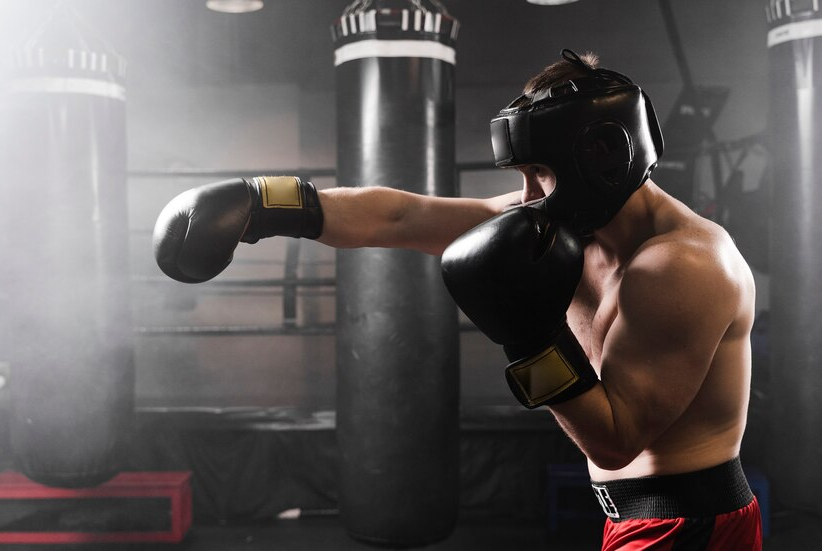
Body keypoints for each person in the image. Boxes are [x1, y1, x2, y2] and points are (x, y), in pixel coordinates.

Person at [153, 49, 762, 550]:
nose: (522, 198)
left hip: (691, 525)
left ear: (600, 156)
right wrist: (263, 202)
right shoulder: (564, 224)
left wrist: (528, 339)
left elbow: (617, 438)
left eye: (538, 173)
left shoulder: (682, 267)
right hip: (633, 519)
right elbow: (400, 217)